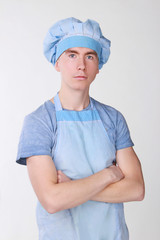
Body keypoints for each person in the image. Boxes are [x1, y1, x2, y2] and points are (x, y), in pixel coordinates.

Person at [16, 17, 145, 240]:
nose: (81, 65)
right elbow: (53, 200)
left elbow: (136, 189)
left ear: (98, 65)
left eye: (90, 56)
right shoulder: (39, 122)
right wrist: (108, 175)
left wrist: (73, 189)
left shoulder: (113, 119)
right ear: (57, 62)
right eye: (72, 55)